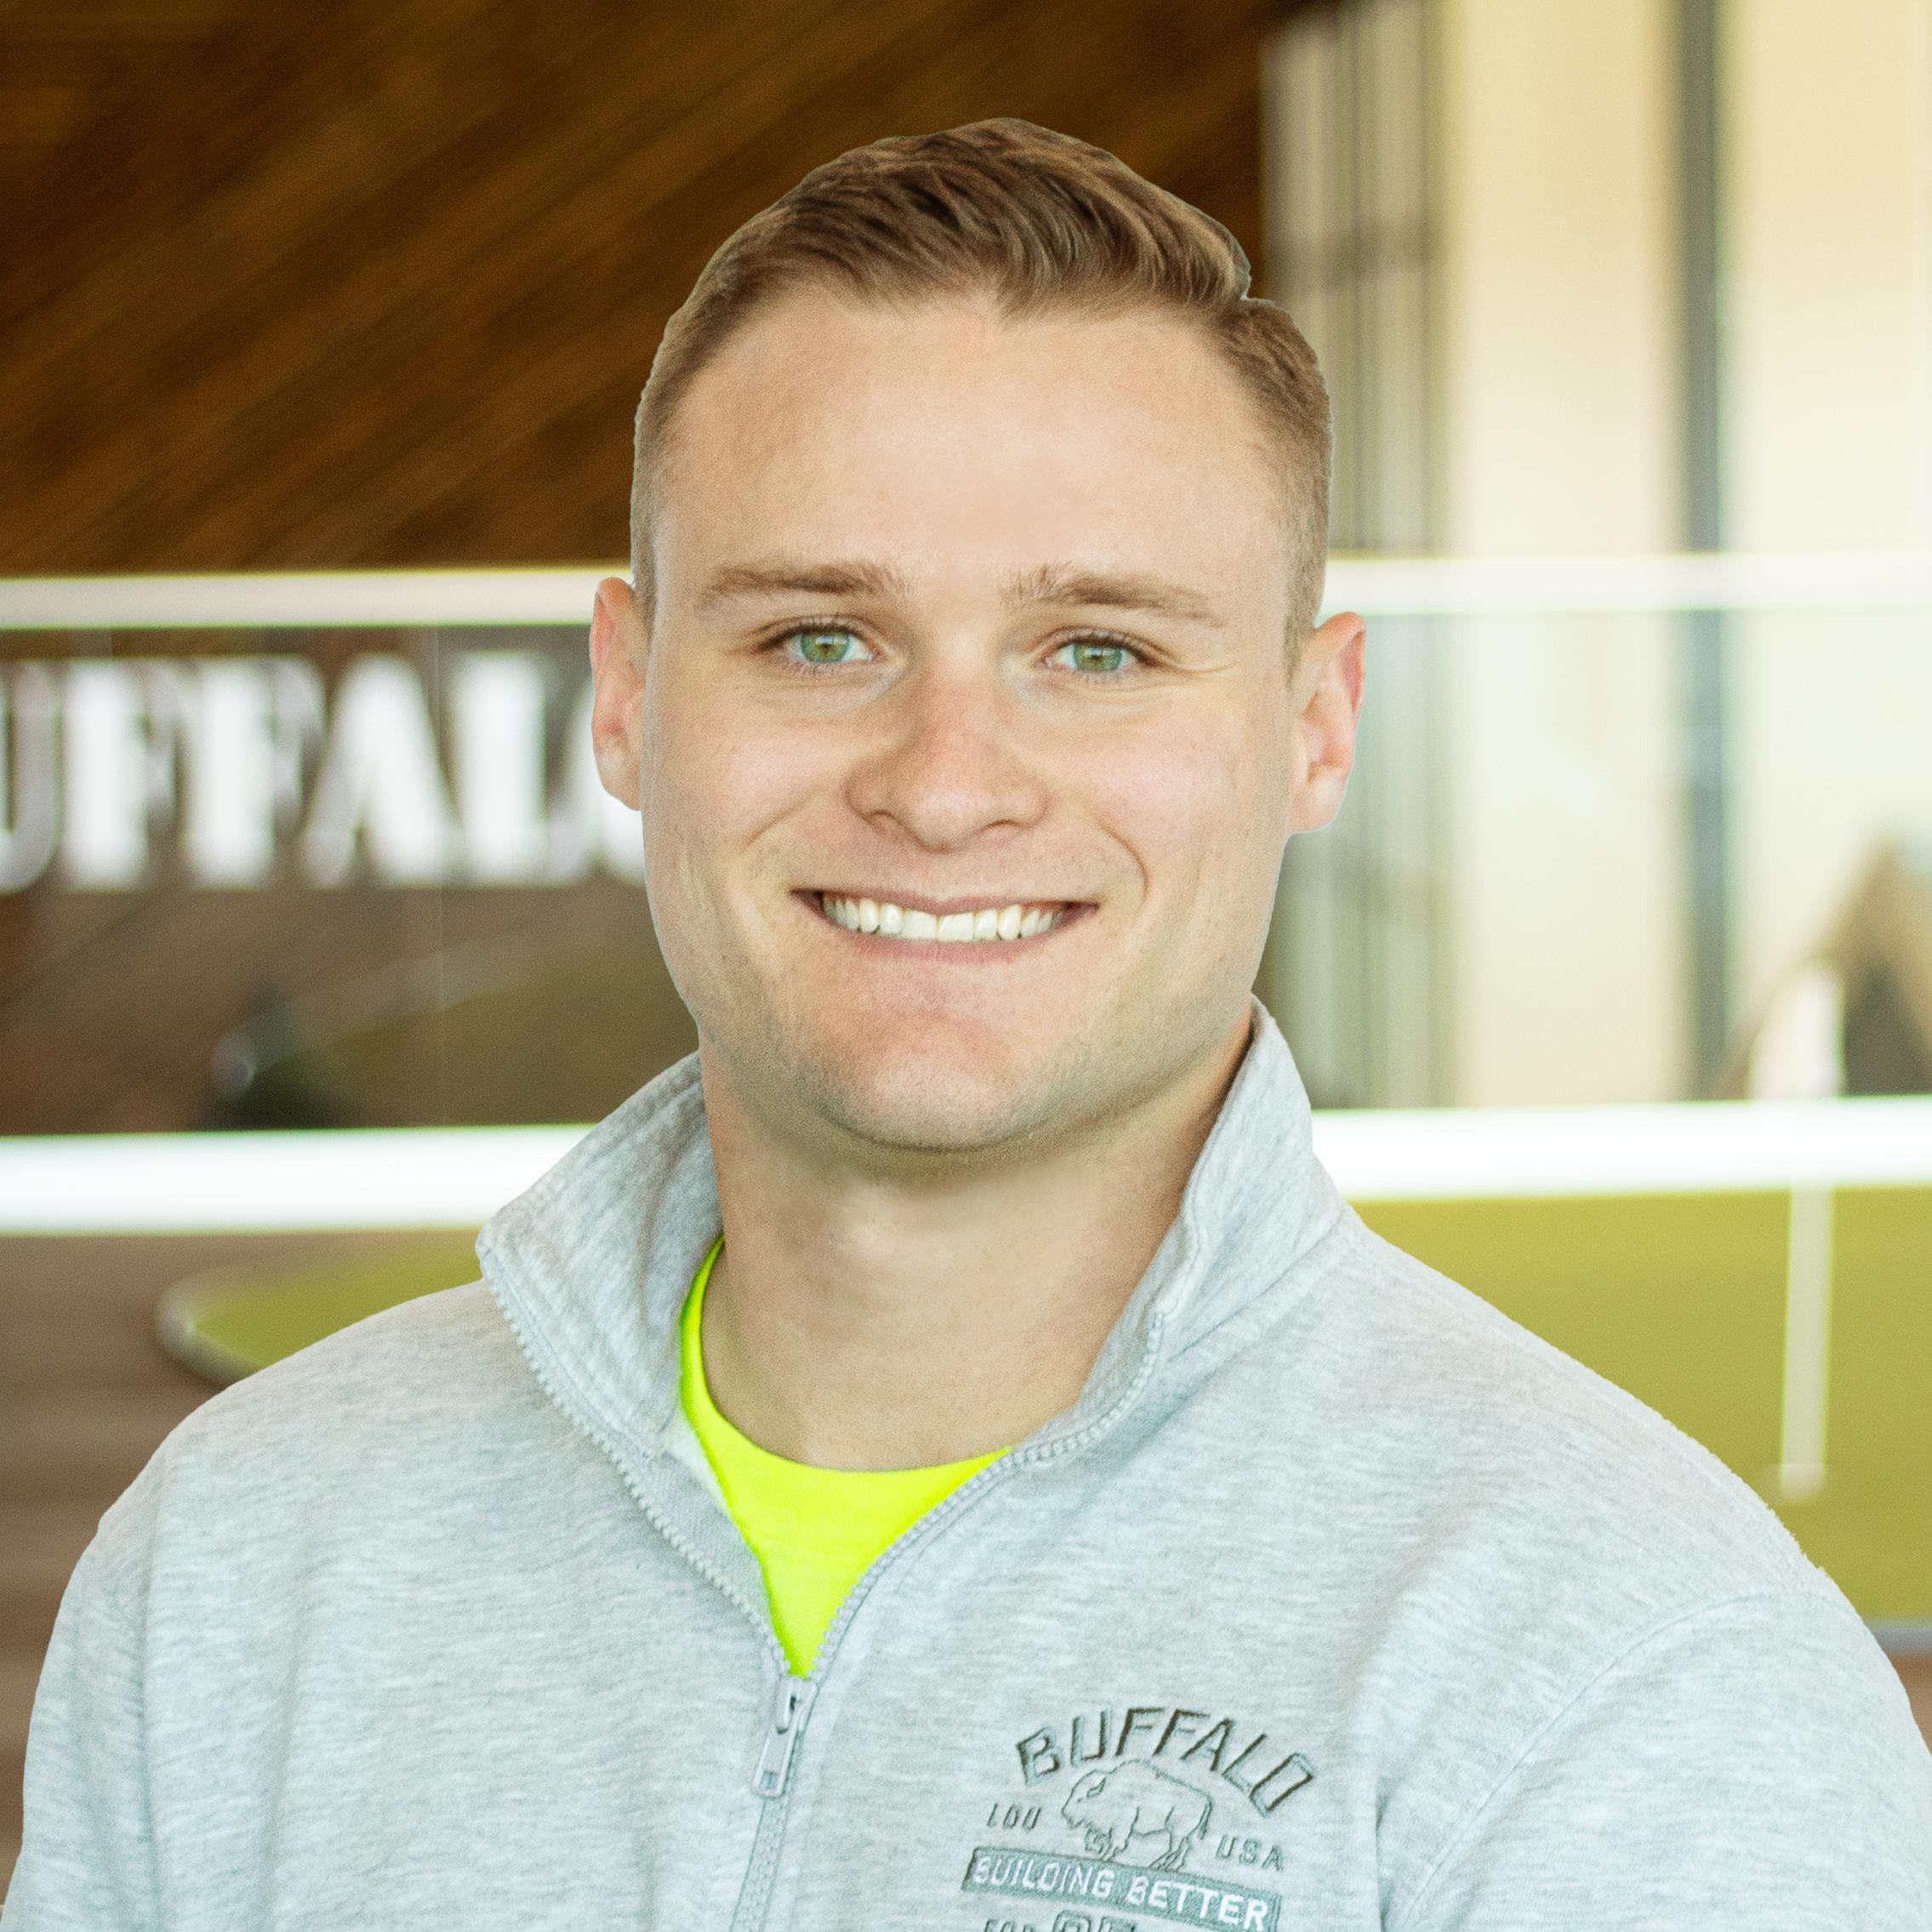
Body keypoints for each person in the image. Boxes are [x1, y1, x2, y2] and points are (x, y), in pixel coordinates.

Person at [8, 118, 1930, 1931]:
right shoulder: (241, 1562)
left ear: (1314, 724)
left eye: (1095, 649)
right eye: (816, 638)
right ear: (624, 693)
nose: (943, 785)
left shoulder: (1634, 1662)